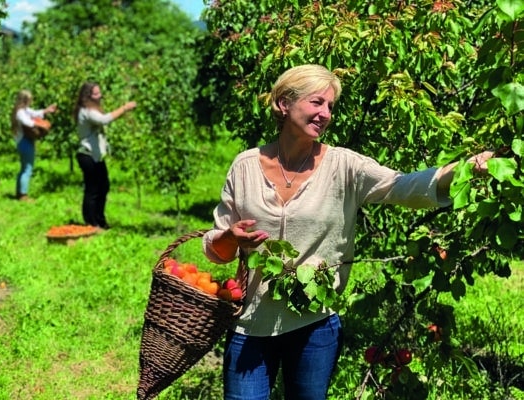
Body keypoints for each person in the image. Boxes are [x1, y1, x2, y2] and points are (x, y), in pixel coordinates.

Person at [201, 64, 494, 400]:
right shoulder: (245, 166)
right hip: (251, 323)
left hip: (313, 323)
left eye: (330, 107)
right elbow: (216, 249)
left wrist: (465, 169)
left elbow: (402, 186)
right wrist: (231, 238)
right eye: (316, 103)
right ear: (284, 103)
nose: (325, 114)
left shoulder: (344, 166)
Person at [73, 82, 136, 229]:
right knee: (93, 189)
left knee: (103, 186)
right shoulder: (86, 111)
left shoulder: (91, 109)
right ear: (87, 96)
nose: (99, 96)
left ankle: (100, 220)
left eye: (99, 93)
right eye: (95, 93)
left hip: (95, 156)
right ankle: (91, 222)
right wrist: (125, 108)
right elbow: (105, 120)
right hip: (87, 154)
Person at [10, 89, 57, 201]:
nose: (30, 102)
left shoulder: (24, 110)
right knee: (27, 169)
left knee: (24, 168)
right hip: (24, 142)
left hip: (25, 142)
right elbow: (28, 122)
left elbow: (34, 113)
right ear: (24, 100)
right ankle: (23, 195)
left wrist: (46, 111)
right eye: (29, 100)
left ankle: (19, 193)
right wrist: (42, 125)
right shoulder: (20, 112)